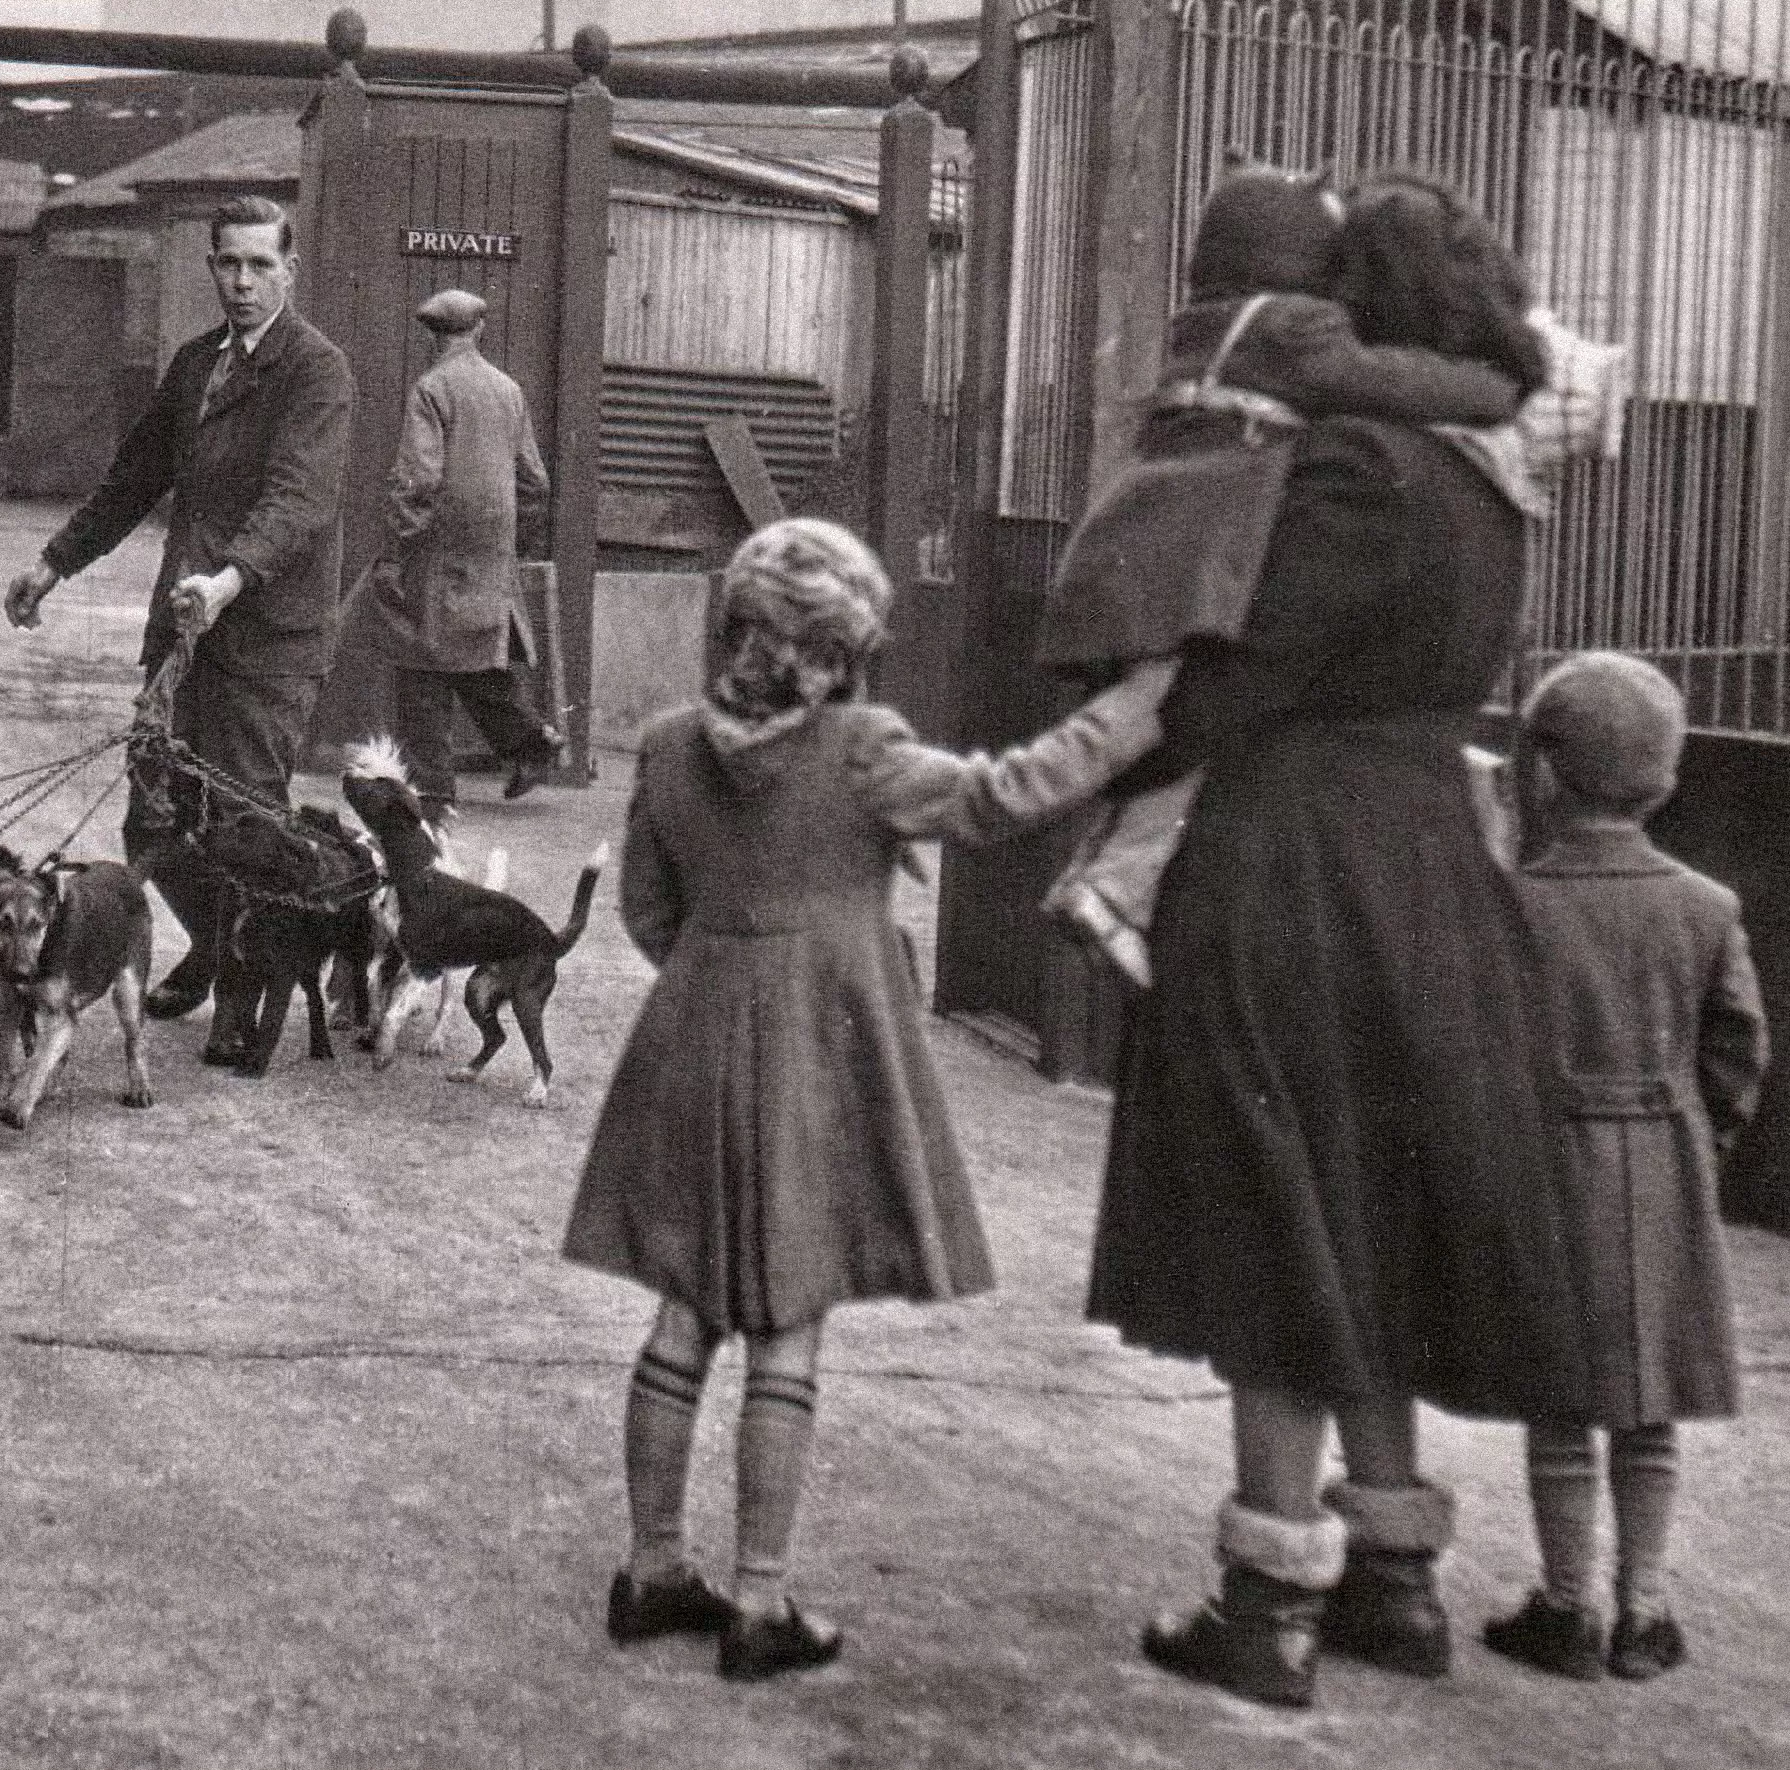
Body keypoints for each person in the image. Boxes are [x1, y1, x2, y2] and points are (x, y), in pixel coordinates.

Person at [1083, 173, 1611, 1709]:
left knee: (1271, 1211)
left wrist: (1116, 740)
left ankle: (1266, 1606)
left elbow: (1241, 678)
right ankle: (1395, 1577)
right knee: (1370, 1202)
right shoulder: (1492, 477)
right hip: (1432, 860)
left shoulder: (1353, 467)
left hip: (1291, 858)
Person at [561, 516, 1176, 1681]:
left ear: (733, 623)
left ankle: (649, 1572)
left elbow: (648, 917)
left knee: (682, 1310)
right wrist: (1141, 705)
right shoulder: (860, 750)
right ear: (842, 649)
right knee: (787, 1316)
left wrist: (719, 974)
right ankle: (760, 1603)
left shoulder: (666, 745)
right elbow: (1005, 797)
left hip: (686, 1039)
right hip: (814, 1050)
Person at [1031, 161, 1527, 985]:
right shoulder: (1475, 478)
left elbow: (1223, 698)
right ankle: (1111, 880)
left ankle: (1107, 870)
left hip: (1151, 554)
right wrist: (1491, 389)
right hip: (1383, 841)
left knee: (1146, 730)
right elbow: (1383, 381)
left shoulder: (1232, 346)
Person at [1482, 652, 1766, 1682]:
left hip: (1548, 1170)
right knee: (1647, 1410)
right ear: (1668, 779)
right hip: (1664, 1164)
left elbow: (1482, 1053)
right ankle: (1642, 1613)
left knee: (1558, 1404)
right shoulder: (1705, 907)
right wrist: (1698, 1136)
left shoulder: (1507, 903)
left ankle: (1565, 1610)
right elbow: (1737, 1049)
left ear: (1542, 776)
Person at [3, 195, 354, 1019]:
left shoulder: (316, 368)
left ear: (288, 270)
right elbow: (133, 480)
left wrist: (231, 579)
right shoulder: (197, 364)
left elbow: (298, 500)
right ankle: (214, 943)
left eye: (260, 265)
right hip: (185, 634)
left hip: (267, 637)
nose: (242, 282)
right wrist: (54, 564)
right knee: (153, 824)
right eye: (228, 263)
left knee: (247, 824)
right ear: (210, 266)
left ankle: (244, 999)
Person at [357, 287, 565, 819]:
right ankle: (534, 745)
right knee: (475, 663)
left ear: (434, 336)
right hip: (492, 556)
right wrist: (511, 541)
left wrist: (399, 545)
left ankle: (432, 794)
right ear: (478, 332)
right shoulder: (509, 391)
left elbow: (418, 480)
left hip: (440, 552)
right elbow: (534, 479)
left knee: (422, 667)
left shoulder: (432, 388)